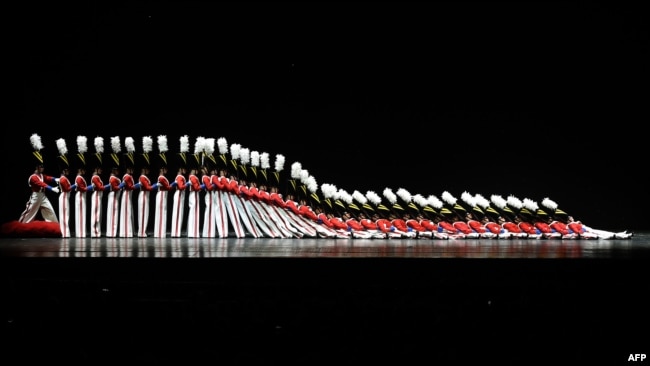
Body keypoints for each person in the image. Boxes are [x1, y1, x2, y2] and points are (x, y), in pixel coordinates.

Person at [19, 134, 60, 224]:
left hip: (43, 196)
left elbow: (47, 178)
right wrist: (52, 188)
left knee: (50, 211)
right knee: (29, 212)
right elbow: (42, 184)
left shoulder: (41, 175)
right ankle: (21, 226)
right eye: (41, 166)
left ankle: (54, 226)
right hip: (36, 196)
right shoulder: (33, 177)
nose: (43, 168)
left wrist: (55, 179)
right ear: (37, 167)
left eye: (43, 166)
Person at [153, 135, 172, 238]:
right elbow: (168, 187)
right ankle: (159, 233)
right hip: (161, 195)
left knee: (163, 213)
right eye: (165, 169)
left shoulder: (162, 177)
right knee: (160, 214)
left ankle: (161, 232)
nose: (167, 170)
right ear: (162, 169)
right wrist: (173, 184)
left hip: (163, 195)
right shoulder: (161, 178)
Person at [170, 135, 189, 238]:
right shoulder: (180, 176)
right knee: (177, 214)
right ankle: (175, 233)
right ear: (181, 168)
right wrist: (188, 184)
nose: (185, 170)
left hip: (181, 195)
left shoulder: (180, 176)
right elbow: (181, 187)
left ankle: (176, 232)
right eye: (184, 169)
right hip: (179, 195)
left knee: (179, 214)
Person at [136, 136, 155, 238]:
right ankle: (141, 232)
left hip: (145, 196)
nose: (149, 171)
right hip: (143, 195)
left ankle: (143, 231)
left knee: (145, 214)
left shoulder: (144, 177)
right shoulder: (143, 177)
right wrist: (155, 186)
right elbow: (148, 187)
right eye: (147, 169)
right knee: (143, 214)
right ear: (144, 169)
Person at [55, 137, 74, 237]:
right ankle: (64, 233)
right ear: (63, 170)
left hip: (66, 197)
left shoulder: (64, 178)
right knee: (64, 216)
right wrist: (75, 185)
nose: (68, 171)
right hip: (64, 196)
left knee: (66, 215)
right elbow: (67, 189)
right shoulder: (62, 178)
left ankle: (66, 233)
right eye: (66, 170)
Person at [73, 136, 91, 238]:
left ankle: (82, 232)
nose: (85, 171)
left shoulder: (80, 177)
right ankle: (80, 233)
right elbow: (82, 189)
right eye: (83, 169)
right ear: (80, 169)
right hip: (80, 196)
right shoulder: (79, 177)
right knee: (80, 214)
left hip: (81, 196)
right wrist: (91, 187)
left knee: (82, 214)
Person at [118, 137, 137, 238]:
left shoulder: (130, 176)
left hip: (128, 196)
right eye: (131, 168)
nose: (133, 170)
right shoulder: (127, 176)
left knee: (129, 213)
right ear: (128, 169)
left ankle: (130, 231)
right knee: (126, 212)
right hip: (126, 195)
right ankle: (125, 232)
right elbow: (128, 186)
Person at [105, 136, 122, 238]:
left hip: (115, 197)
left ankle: (112, 232)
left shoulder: (114, 177)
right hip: (113, 196)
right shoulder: (112, 177)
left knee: (114, 214)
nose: (118, 172)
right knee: (113, 214)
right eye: (117, 170)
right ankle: (111, 233)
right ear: (114, 170)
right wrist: (122, 185)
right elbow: (115, 187)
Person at [89, 137, 106, 238]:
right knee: (95, 215)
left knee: (98, 215)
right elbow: (100, 187)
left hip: (98, 196)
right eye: (100, 169)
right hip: (96, 195)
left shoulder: (97, 176)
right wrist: (110, 186)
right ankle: (94, 232)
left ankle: (97, 232)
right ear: (96, 168)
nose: (101, 170)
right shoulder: (95, 177)